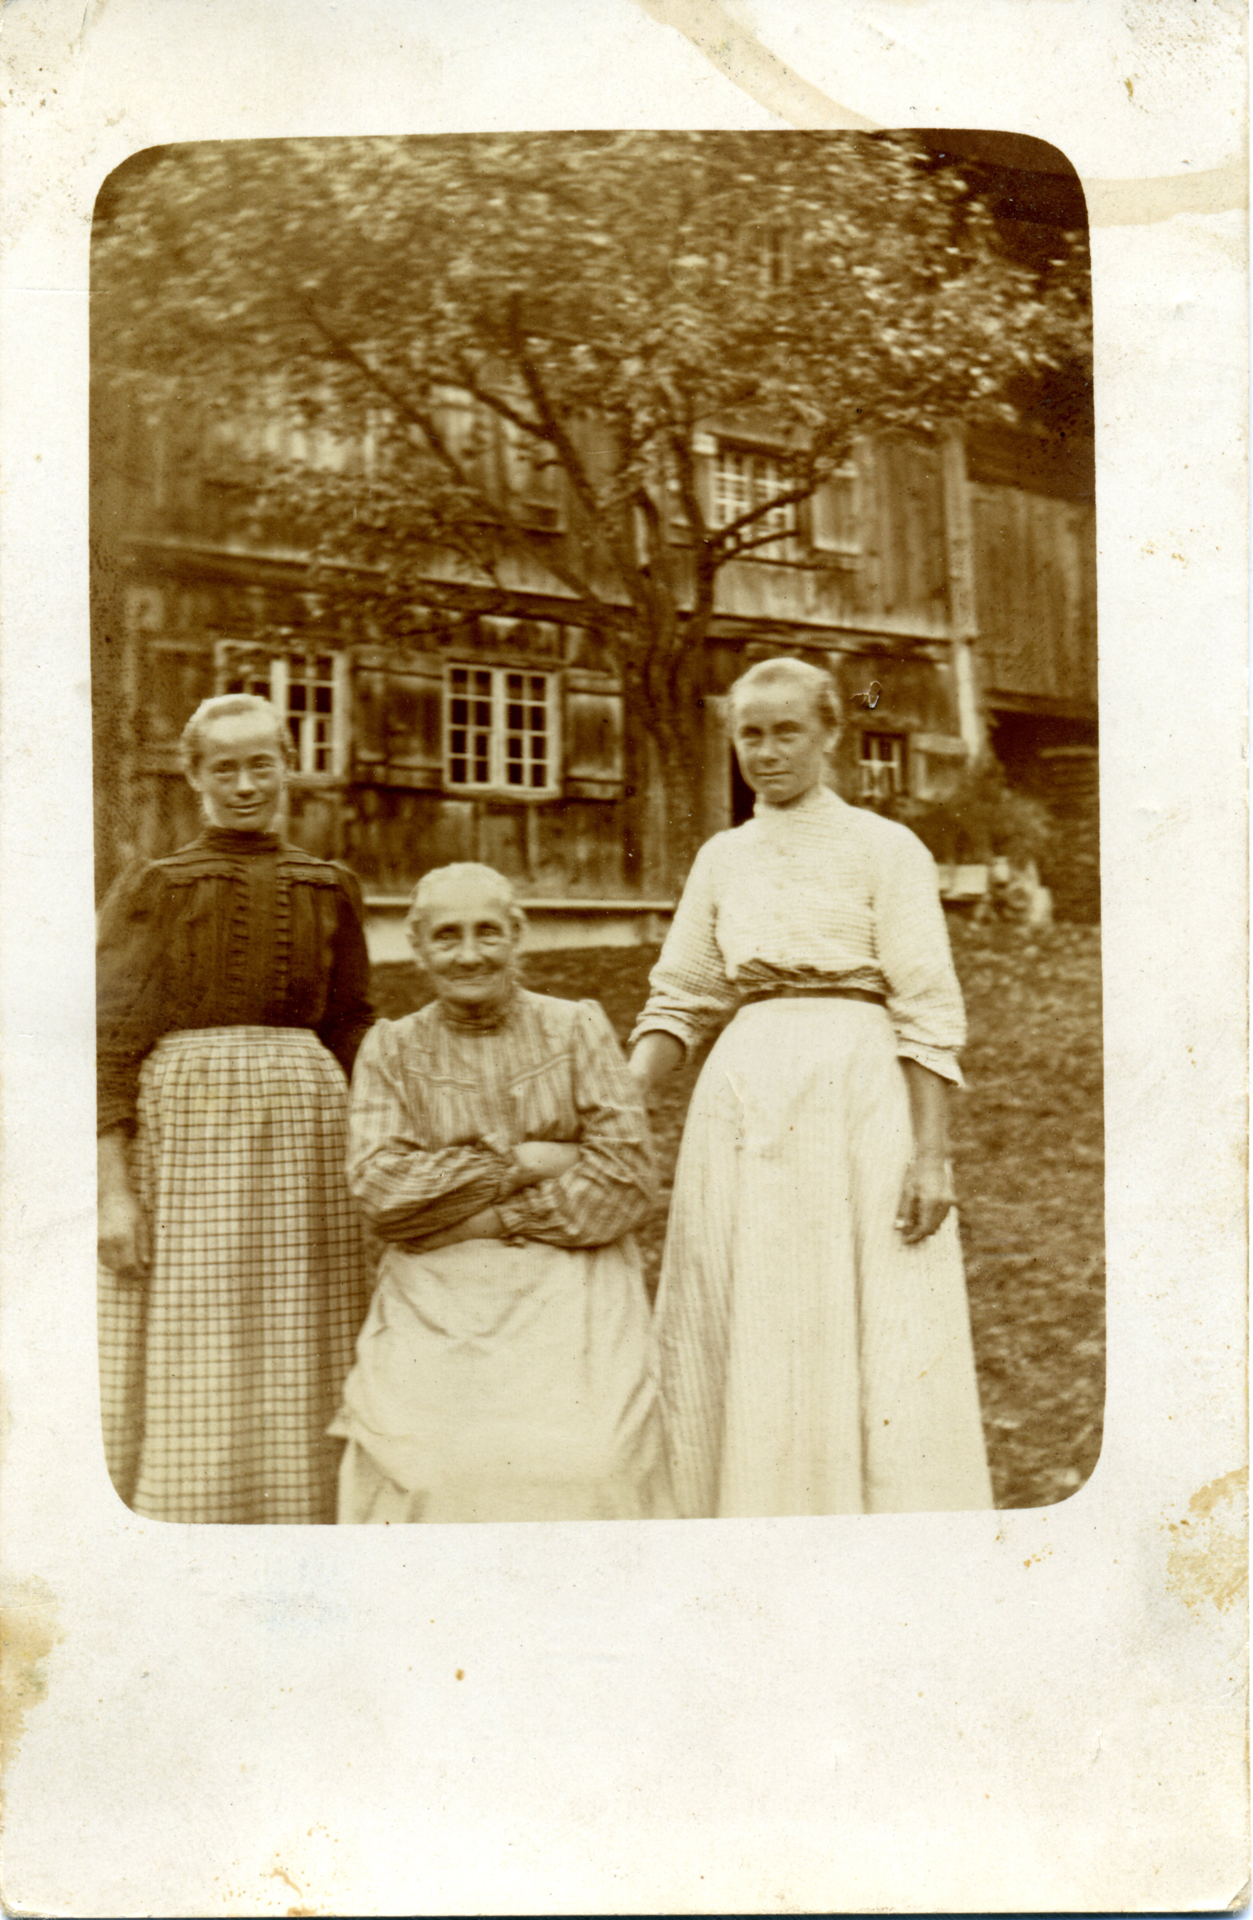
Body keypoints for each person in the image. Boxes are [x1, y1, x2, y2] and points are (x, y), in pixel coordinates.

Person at [628, 656, 994, 1518]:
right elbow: (680, 997)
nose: (766, 752)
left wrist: (931, 1156)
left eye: (786, 731)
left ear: (830, 734)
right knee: (746, 1294)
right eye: (749, 735)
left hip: (856, 1090)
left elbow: (926, 1009)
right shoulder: (722, 857)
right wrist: (620, 1100)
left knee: (877, 1303)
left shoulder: (884, 848)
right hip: (745, 1095)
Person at [96, 693, 375, 1524]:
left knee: (301, 1323)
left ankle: (300, 1511)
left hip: (308, 1142)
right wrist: (113, 1191)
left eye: (261, 764)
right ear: (195, 777)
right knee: (202, 1325)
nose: (246, 784)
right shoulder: (156, 886)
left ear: (287, 766)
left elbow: (353, 1029)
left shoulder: (331, 886)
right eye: (225, 768)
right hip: (190, 1140)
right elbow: (107, 1043)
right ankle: (191, 1512)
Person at [331, 862, 673, 1524]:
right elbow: (381, 1190)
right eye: (447, 936)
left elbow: (628, 1181)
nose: (469, 954)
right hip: (437, 1289)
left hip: (570, 1279)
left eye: (487, 931)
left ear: (518, 935)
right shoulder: (391, 1049)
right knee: (428, 1468)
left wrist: (482, 1219)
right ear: (417, 946)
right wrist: (521, 1161)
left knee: (590, 1462)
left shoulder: (575, 1029)